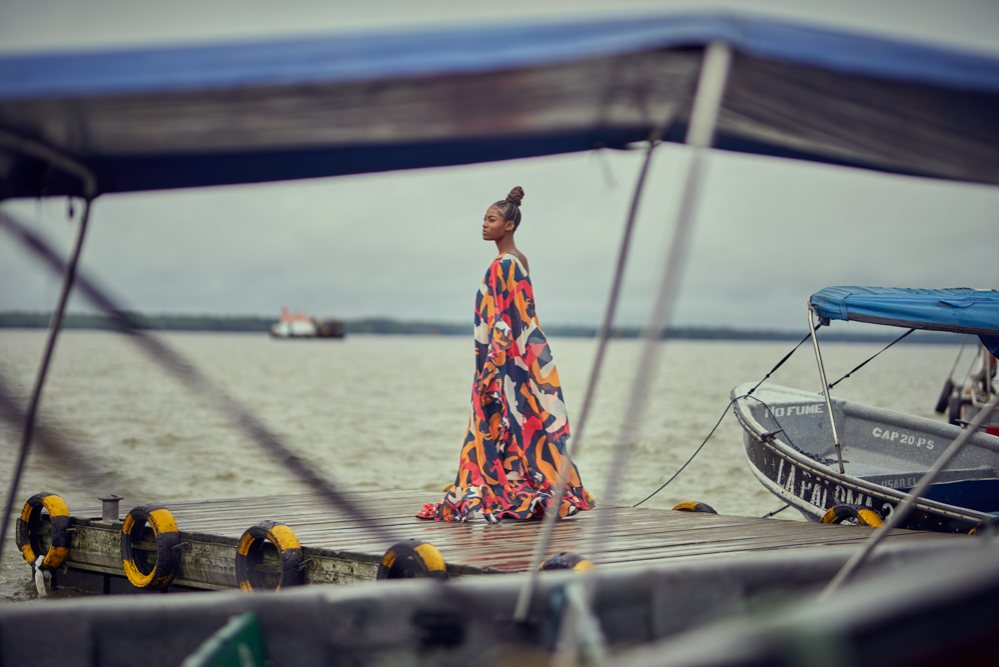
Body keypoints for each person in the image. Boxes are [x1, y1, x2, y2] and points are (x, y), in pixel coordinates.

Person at [417, 186, 594, 523]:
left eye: (492, 219)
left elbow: (501, 321)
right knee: (524, 422)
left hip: (501, 361)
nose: (484, 224)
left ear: (508, 225)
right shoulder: (520, 261)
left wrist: (489, 371)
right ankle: (529, 485)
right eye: (484, 218)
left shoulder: (502, 265)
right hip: (522, 359)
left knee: (495, 424)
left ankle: (501, 488)